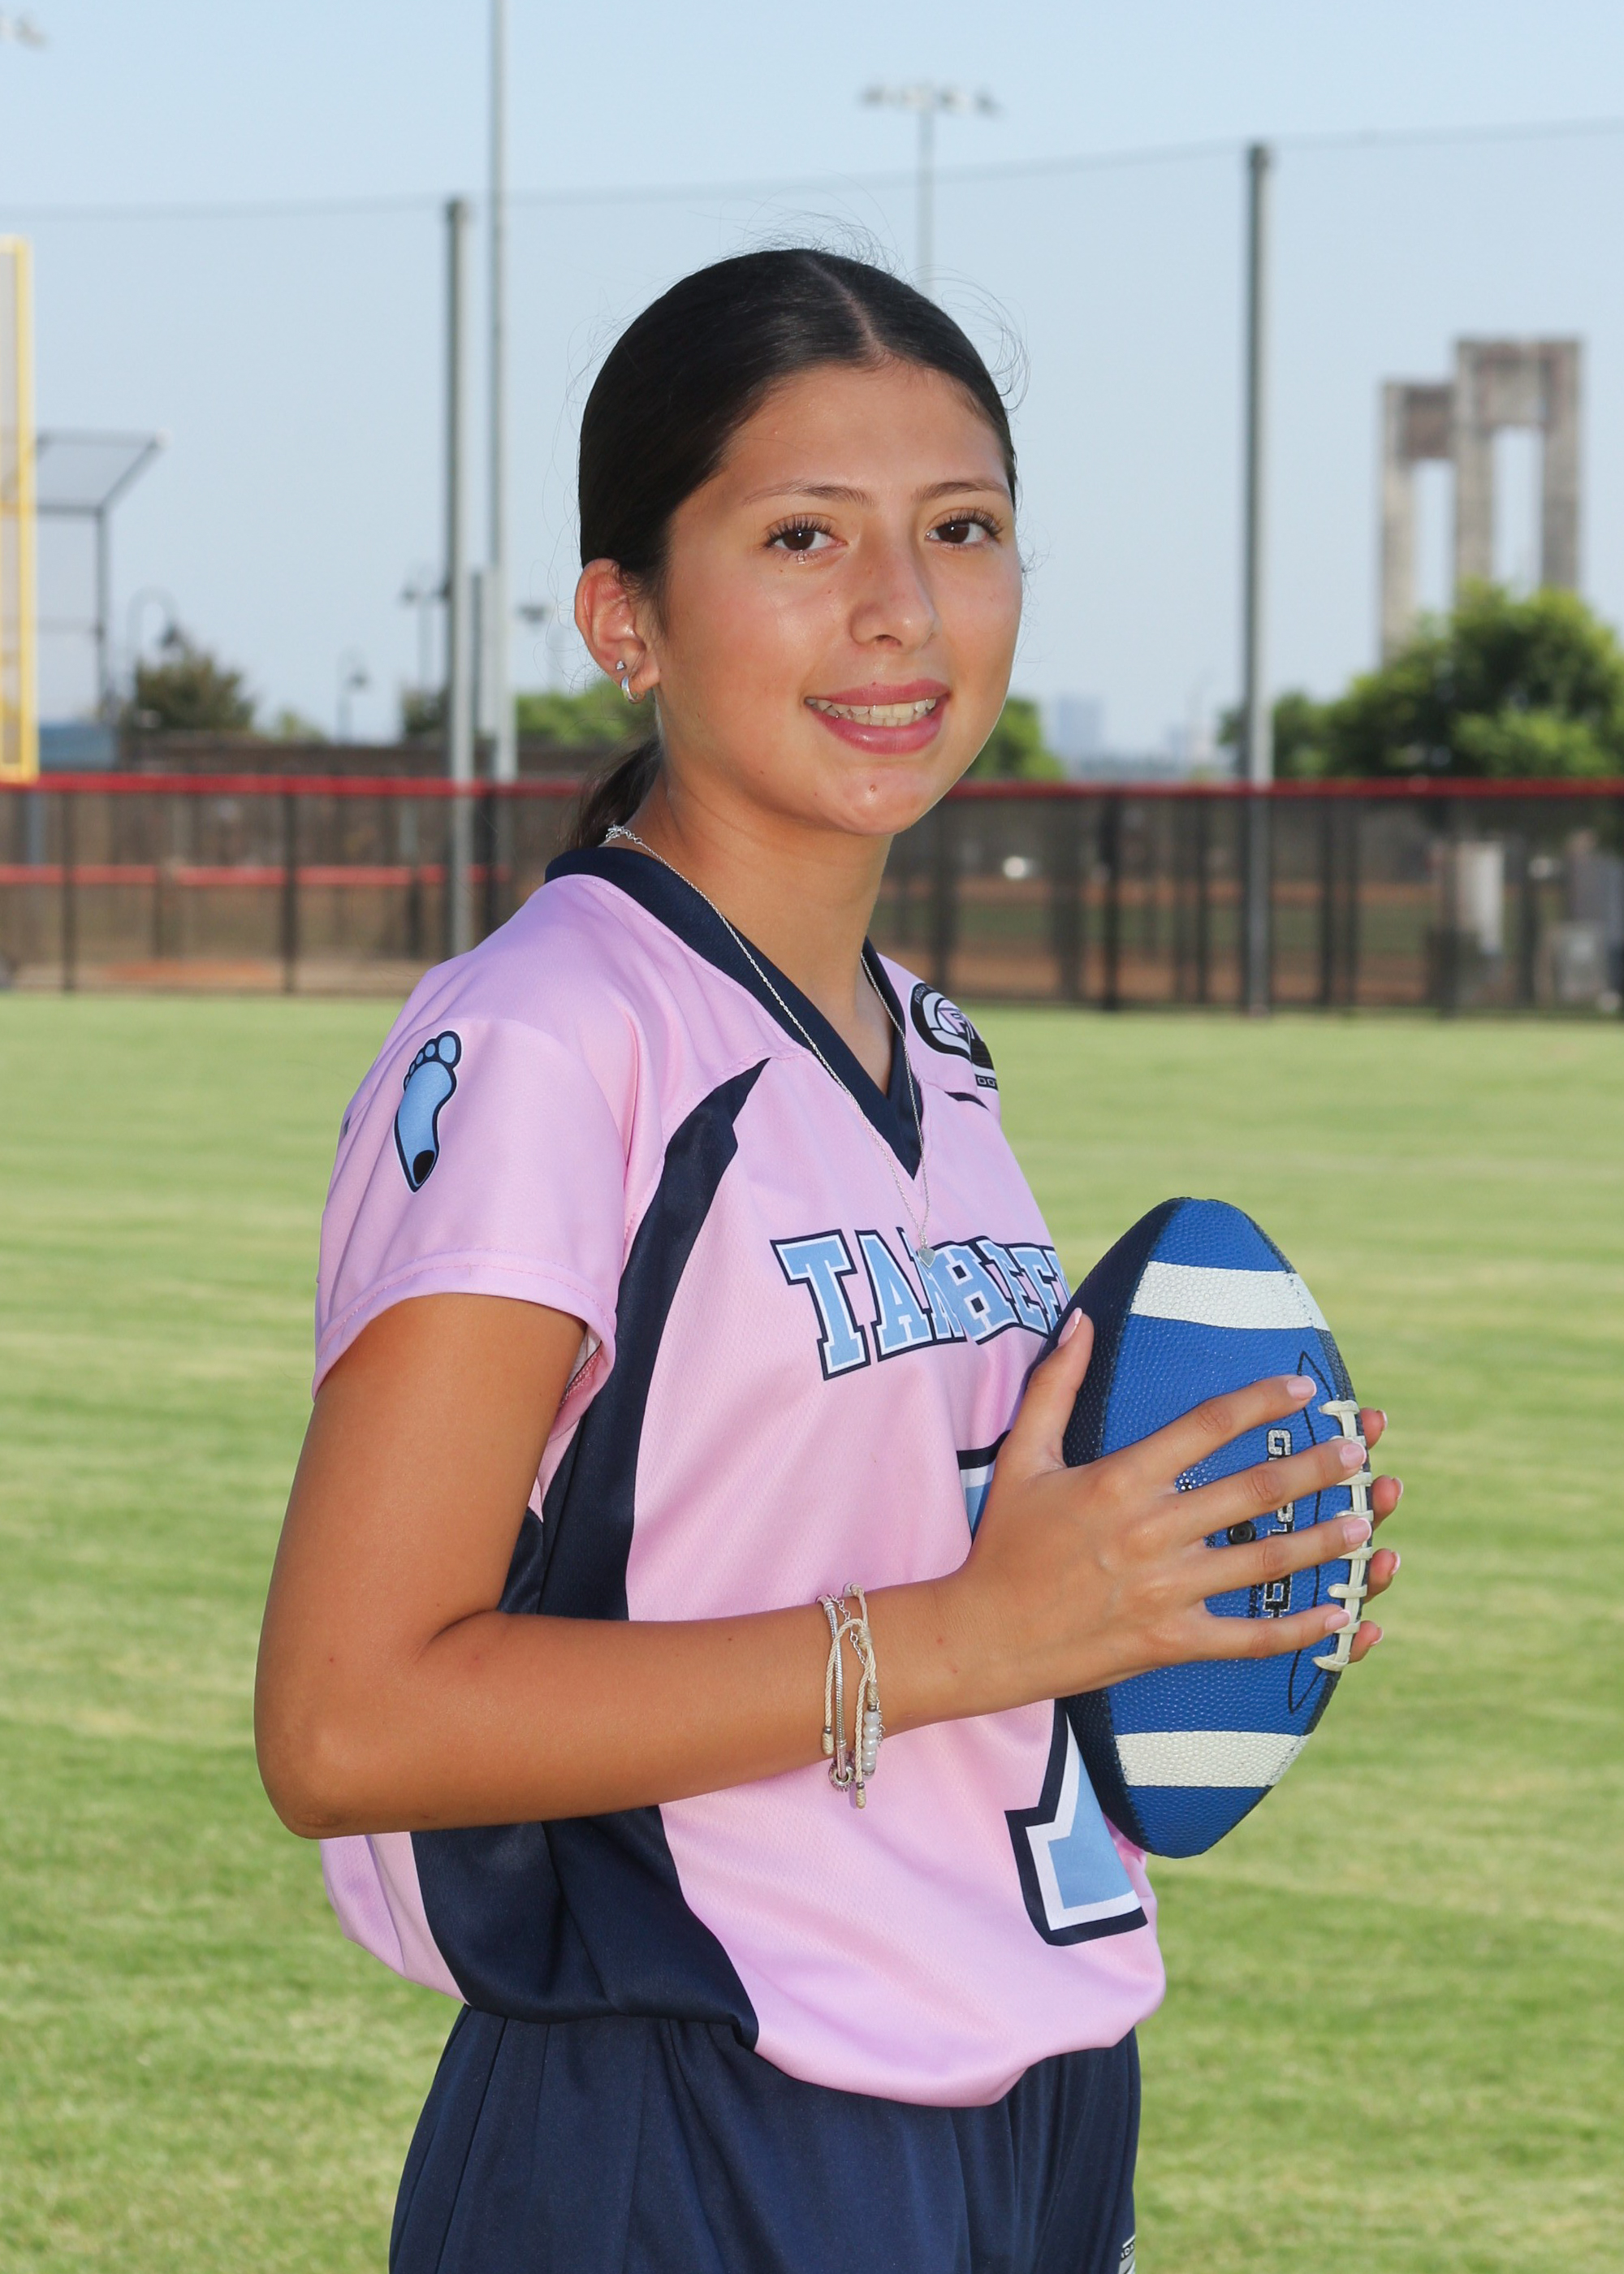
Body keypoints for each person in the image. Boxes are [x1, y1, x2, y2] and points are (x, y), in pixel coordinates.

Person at [255, 249, 1399, 2274]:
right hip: (699, 2113)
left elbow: (914, 1557)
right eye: (804, 535)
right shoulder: (555, 1036)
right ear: (625, 617)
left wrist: (1172, 1574)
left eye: (961, 529)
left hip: (1028, 2085)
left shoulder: (927, 1043)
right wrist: (977, 1635)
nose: (902, 610)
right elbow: (350, 1720)